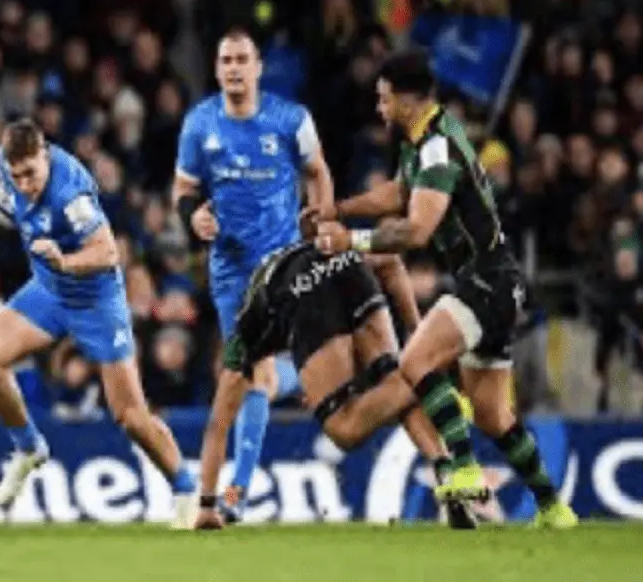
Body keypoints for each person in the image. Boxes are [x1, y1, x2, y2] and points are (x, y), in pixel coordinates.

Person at [312, 49, 578, 529]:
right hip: (497, 284)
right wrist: (338, 209)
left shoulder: (436, 146)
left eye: (384, 98)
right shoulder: (423, 142)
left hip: (484, 280)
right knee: (494, 416)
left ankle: (463, 468)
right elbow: (397, 193)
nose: (379, 107)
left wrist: (350, 238)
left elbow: (416, 229)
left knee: (414, 362)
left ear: (407, 100)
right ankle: (554, 508)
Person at [0, 119, 197, 527]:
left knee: (131, 416)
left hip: (96, 301)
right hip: (48, 292)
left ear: (46, 155)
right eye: (16, 175)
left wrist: (64, 260)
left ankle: (185, 489)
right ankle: (28, 448)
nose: (24, 184)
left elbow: (109, 254)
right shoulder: (8, 168)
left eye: (31, 174)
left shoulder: (70, 190)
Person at [193, 241, 486, 530]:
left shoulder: (244, 355)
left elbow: (218, 427)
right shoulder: (274, 349)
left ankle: (428, 371)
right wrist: (417, 331)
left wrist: (207, 504)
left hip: (304, 299)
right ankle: (444, 464)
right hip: (340, 262)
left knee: (343, 427)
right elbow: (389, 261)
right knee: (390, 381)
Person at [171, 27, 336, 522]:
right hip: (228, 269)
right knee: (252, 375)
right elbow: (183, 188)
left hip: (281, 262)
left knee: (253, 372)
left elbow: (318, 172)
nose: (235, 68)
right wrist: (191, 217)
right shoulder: (200, 124)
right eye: (226, 61)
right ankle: (308, 379)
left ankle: (236, 493)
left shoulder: (290, 120)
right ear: (217, 69)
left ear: (258, 67)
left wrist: (322, 223)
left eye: (243, 59)